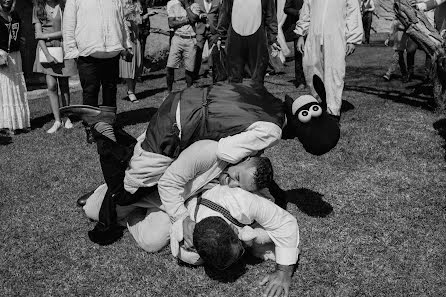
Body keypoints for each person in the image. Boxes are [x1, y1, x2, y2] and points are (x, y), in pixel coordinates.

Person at [61, 79, 340, 244]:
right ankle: (103, 134)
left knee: (141, 162)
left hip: (183, 102)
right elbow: (228, 150)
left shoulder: (268, 98)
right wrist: (241, 154)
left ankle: (111, 139)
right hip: (181, 127)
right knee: (126, 189)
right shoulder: (273, 129)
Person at [81, 140, 299, 297]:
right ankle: (108, 190)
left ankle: (129, 215)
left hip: (179, 206)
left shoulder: (247, 196)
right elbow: (168, 184)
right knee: (92, 210)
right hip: (155, 189)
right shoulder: (210, 151)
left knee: (152, 241)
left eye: (241, 186)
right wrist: (183, 219)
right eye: (238, 178)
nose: (233, 184)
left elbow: (281, 219)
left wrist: (283, 269)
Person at [63, 0, 133, 141]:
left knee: (110, 89)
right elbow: (68, 26)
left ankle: (110, 125)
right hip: (88, 53)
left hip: (112, 52)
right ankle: (91, 127)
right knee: (90, 91)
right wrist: (72, 51)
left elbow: (122, 21)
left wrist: (127, 45)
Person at [295, 0, 363, 122]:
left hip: (335, 36)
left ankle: (333, 112)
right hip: (314, 36)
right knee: (311, 69)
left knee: (334, 73)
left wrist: (352, 39)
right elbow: (306, 10)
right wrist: (301, 34)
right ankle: (318, 103)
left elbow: (353, 14)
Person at [33, 0, 77, 134]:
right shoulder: (38, 8)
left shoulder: (65, 6)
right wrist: (47, 55)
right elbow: (37, 35)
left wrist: (46, 35)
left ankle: (66, 117)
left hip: (63, 49)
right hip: (46, 50)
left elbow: (67, 31)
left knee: (64, 85)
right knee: (51, 86)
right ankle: (57, 120)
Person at [216, 0, 281, 86]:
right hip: (235, 38)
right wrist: (221, 35)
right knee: (234, 75)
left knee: (257, 76)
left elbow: (270, 15)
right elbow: (225, 13)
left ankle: (257, 96)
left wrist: (272, 39)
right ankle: (235, 96)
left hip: (257, 38)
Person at [0, 0, 30, 136]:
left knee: (16, 87)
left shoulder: (15, 15)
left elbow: (19, 34)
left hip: (15, 56)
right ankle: (5, 125)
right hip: (1, 56)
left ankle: (19, 122)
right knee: (4, 88)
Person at [166, 0, 199, 92]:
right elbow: (171, 23)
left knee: (189, 68)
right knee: (170, 66)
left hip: (190, 39)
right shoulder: (174, 6)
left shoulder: (195, 6)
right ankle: (169, 92)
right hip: (177, 38)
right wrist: (185, 20)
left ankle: (189, 91)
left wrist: (187, 6)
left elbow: (193, 19)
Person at [119, 0, 148, 103]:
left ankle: (132, 91)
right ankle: (131, 92)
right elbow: (117, 18)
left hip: (136, 39)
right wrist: (127, 12)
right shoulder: (120, 3)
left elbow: (139, 21)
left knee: (137, 66)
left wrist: (141, 16)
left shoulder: (137, 4)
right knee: (129, 66)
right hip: (127, 39)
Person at [193, 0, 221, 80]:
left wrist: (218, 32)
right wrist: (200, 16)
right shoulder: (197, 2)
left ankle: (212, 72)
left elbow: (220, 17)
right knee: (198, 51)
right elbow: (192, 16)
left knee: (212, 52)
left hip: (213, 30)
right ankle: (197, 73)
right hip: (200, 30)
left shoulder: (217, 2)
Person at [284, 0, 305, 89]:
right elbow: (286, 8)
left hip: (314, 27)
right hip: (298, 26)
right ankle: (300, 81)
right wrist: (298, 12)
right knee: (299, 54)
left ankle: (313, 79)